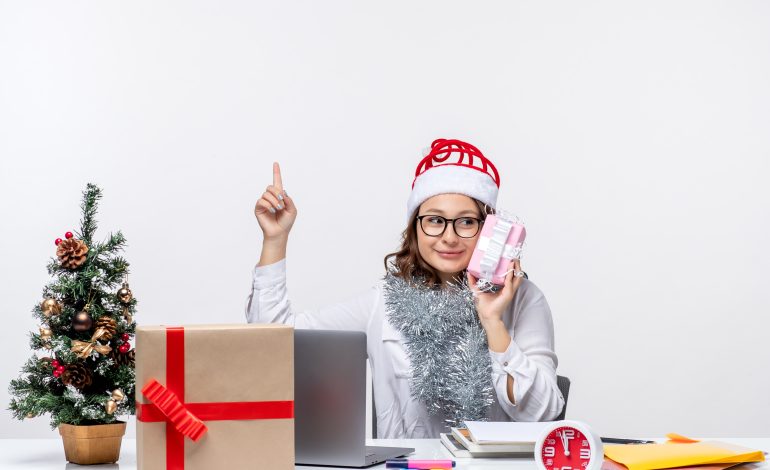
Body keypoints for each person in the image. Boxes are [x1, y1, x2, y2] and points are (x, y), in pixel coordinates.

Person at [246, 138, 564, 439]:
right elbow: (273, 340)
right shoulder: (383, 303)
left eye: (466, 221)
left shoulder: (524, 299)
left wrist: (493, 322)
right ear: (415, 228)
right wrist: (275, 240)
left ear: (488, 230)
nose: (449, 237)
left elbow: (542, 414)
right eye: (435, 220)